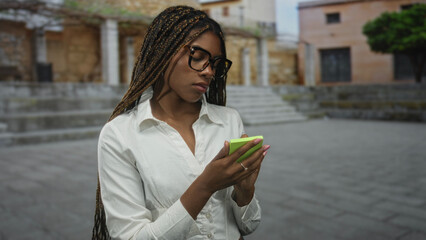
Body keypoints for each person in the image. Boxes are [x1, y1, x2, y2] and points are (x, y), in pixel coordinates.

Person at [92, 5, 270, 240]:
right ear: (162, 51)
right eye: (197, 57)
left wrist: (245, 191)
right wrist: (205, 186)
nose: (208, 72)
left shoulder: (229, 120)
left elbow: (247, 226)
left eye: (215, 64)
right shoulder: (120, 135)